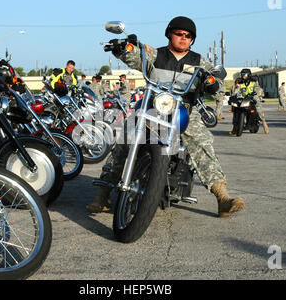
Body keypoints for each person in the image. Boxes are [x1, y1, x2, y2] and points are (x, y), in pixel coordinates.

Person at [87, 16, 245, 218]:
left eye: (188, 36)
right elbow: (137, 55)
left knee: (203, 144)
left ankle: (223, 198)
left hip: (184, 110)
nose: (183, 38)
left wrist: (213, 84)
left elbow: (216, 84)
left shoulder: (199, 62)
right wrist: (123, 48)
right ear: (170, 33)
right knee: (124, 140)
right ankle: (103, 195)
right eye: (179, 34)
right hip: (152, 107)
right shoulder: (156, 54)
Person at [230, 68, 269, 135]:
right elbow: (236, 91)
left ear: (249, 75)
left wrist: (254, 93)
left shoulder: (254, 81)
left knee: (258, 105)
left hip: (252, 97)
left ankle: (264, 123)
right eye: (242, 75)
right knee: (235, 108)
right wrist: (234, 94)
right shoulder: (240, 81)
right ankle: (234, 128)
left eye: (244, 75)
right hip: (243, 97)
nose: (243, 76)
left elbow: (256, 89)